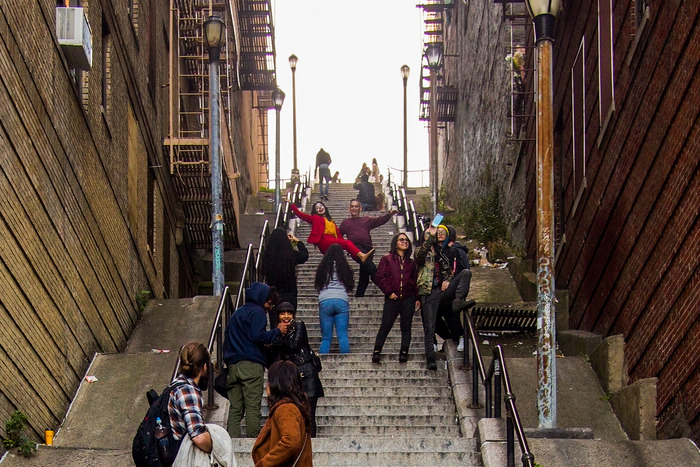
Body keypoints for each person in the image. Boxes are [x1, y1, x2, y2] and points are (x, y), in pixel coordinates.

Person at [223, 282, 288, 437]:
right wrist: (277, 331)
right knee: (252, 407)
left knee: (235, 409)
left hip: (233, 366)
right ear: (263, 298)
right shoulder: (258, 312)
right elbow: (258, 336)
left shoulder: (237, 313)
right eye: (269, 302)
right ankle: (253, 443)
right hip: (251, 366)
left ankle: (232, 443)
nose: (269, 306)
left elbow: (227, 338)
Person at [415, 225, 472, 370]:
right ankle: (431, 359)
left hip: (442, 290)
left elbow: (449, 269)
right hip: (428, 291)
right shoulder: (420, 251)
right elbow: (420, 257)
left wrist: (448, 280)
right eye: (428, 234)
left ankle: (458, 302)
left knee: (466, 273)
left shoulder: (442, 252)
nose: (432, 236)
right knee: (429, 325)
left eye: (432, 234)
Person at [170, 342, 235, 467]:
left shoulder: (176, 384)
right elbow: (198, 437)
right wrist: (217, 446)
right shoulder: (188, 391)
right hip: (179, 457)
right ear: (205, 367)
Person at [268, 302, 324, 438]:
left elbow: (294, 345)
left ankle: (309, 444)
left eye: (289, 313)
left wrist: (275, 340)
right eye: (282, 313)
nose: (286, 316)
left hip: (307, 374)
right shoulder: (277, 332)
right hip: (292, 379)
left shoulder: (298, 325)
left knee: (309, 414)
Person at [252, 361, 313, 467]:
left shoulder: (285, 408)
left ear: (276, 384)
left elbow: (291, 441)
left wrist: (264, 464)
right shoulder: (293, 407)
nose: (267, 386)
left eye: (270, 381)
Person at [371, 233, 419, 364]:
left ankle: (404, 352)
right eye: (401, 240)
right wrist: (388, 292)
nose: (404, 242)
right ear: (395, 243)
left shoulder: (411, 263)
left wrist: (417, 298)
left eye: (406, 240)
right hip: (392, 298)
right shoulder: (386, 259)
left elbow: (415, 281)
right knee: (386, 325)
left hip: (408, 297)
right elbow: (380, 277)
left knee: (406, 326)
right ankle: (377, 351)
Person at [339, 199, 397, 297]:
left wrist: (389, 215)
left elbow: (379, 220)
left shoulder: (366, 220)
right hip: (355, 249)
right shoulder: (345, 223)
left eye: (356, 206)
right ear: (349, 209)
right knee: (373, 270)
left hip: (368, 250)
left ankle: (359, 296)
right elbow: (338, 236)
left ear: (360, 208)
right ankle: (388, 289)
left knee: (364, 274)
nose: (354, 208)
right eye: (352, 206)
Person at [290, 200, 374, 264]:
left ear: (325, 207)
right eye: (317, 208)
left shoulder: (331, 221)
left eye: (321, 206)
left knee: (345, 249)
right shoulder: (315, 218)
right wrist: (291, 204)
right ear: (315, 211)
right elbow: (301, 215)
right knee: (347, 243)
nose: (320, 208)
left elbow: (338, 235)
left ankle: (359, 258)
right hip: (324, 240)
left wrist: (346, 246)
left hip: (332, 240)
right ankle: (361, 256)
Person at [261, 228, 309, 327]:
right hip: (290, 293)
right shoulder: (290, 255)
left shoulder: (267, 257)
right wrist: (298, 242)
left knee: (275, 323)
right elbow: (304, 255)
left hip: (273, 295)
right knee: (289, 322)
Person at [315, 244, 354, 354]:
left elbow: (318, 283)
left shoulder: (323, 267)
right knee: (343, 336)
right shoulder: (344, 267)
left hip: (325, 299)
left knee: (326, 338)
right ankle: (346, 360)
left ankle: (323, 361)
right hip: (341, 299)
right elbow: (349, 285)